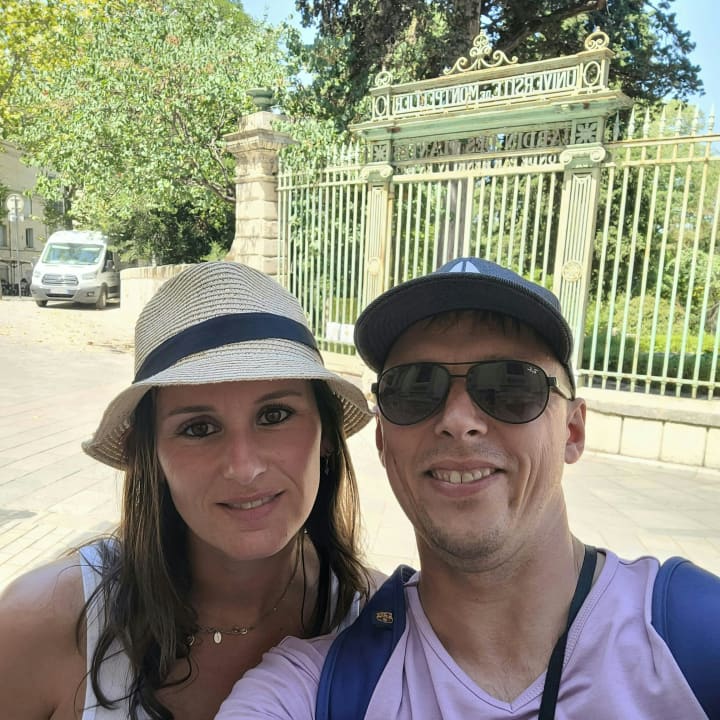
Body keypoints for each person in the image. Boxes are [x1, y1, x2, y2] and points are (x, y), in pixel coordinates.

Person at [215, 256, 717, 720]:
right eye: (415, 389)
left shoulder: (694, 636)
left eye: (511, 384)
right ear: (384, 440)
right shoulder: (312, 687)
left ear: (573, 430)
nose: (457, 420)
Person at [0, 261, 375, 720]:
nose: (244, 468)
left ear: (327, 434)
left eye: (275, 415)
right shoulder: (42, 623)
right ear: (149, 454)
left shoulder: (380, 622)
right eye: (199, 428)